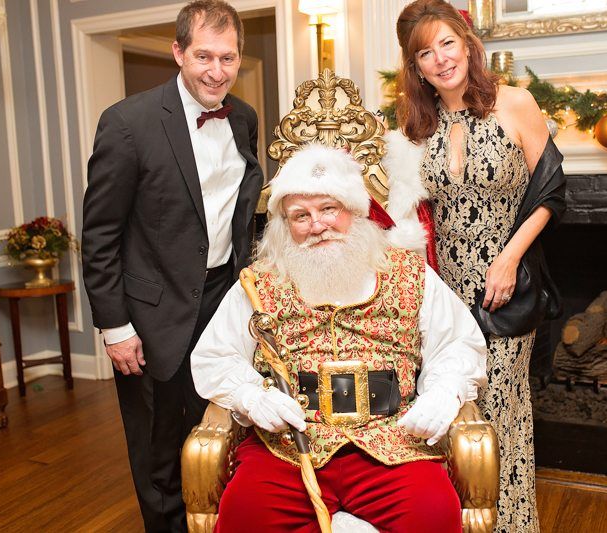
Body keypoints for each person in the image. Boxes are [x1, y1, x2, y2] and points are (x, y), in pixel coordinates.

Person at [191, 144, 487, 532]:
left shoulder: (410, 273)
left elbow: (456, 343)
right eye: (301, 215)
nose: (317, 225)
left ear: (354, 211)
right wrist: (250, 396)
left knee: (433, 513)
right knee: (243, 516)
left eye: (329, 209)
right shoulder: (258, 284)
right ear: (285, 225)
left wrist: (445, 391)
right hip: (289, 449)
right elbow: (216, 356)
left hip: (392, 443)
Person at [382, 1, 567, 531]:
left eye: (447, 43)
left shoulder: (514, 103)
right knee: (451, 417)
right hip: (442, 294)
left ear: (468, 45)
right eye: (426, 53)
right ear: (416, 67)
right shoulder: (415, 125)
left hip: (505, 289)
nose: (441, 59)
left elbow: (552, 190)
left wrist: (509, 257)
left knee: (500, 412)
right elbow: (407, 210)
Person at [81, 1, 263, 530]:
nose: (216, 71)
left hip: (224, 303)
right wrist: (116, 327)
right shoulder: (127, 123)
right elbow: (100, 235)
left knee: (223, 436)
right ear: (178, 52)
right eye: (204, 56)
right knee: (160, 454)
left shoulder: (244, 118)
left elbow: (240, 215)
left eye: (228, 58)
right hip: (151, 316)